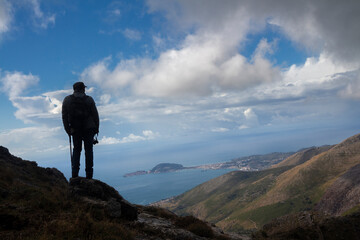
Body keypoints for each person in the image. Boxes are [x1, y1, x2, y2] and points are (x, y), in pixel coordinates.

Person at [62, 82, 99, 179]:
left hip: (75, 128)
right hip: (89, 128)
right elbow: (95, 116)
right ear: (83, 89)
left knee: (77, 150)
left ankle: (75, 174)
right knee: (89, 150)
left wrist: (68, 130)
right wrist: (96, 129)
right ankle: (89, 175)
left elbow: (64, 117)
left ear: (74, 89)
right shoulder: (89, 99)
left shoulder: (67, 100)